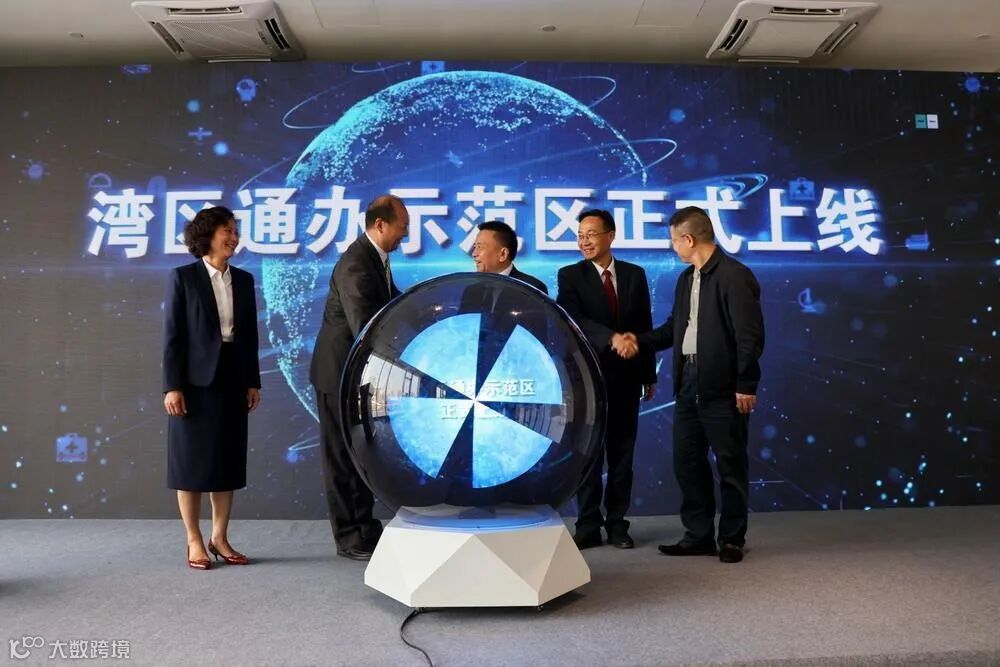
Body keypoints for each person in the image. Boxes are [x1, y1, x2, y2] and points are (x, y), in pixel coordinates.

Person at [621, 205, 764, 563]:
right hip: (688, 382)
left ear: (688, 239)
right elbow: (675, 328)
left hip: (724, 386)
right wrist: (639, 340)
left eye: (674, 241)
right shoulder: (687, 278)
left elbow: (749, 336)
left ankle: (731, 539)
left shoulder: (735, 276)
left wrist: (746, 383)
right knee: (687, 462)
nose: (673, 248)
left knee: (730, 464)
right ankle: (698, 535)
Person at [310, 194, 409, 561]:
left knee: (360, 453)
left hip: (355, 378)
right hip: (337, 375)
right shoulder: (356, 263)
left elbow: (394, 303)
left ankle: (364, 526)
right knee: (341, 456)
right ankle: (349, 535)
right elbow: (365, 326)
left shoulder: (376, 259)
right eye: (402, 227)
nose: (405, 234)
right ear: (380, 224)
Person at [163, 206, 262, 570]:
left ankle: (219, 537)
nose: (234, 237)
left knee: (226, 461)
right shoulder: (183, 277)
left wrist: (252, 381)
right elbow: (173, 337)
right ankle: (193, 539)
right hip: (192, 383)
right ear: (208, 235)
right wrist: (172, 386)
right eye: (227, 231)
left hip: (232, 380)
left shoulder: (245, 280)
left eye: (235, 231)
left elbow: (249, 336)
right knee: (189, 464)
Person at [556, 209, 656, 550]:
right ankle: (587, 524)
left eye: (591, 234)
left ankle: (617, 524)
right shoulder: (571, 275)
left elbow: (643, 325)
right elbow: (573, 319)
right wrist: (611, 338)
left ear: (610, 236)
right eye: (580, 236)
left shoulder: (634, 275)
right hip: (588, 380)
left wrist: (648, 374)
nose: (584, 241)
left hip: (627, 378)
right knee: (589, 455)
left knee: (622, 455)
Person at [470, 220, 548, 294]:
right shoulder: (472, 290)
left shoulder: (531, 288)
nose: (474, 254)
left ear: (503, 254)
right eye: (475, 247)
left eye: (480, 247)